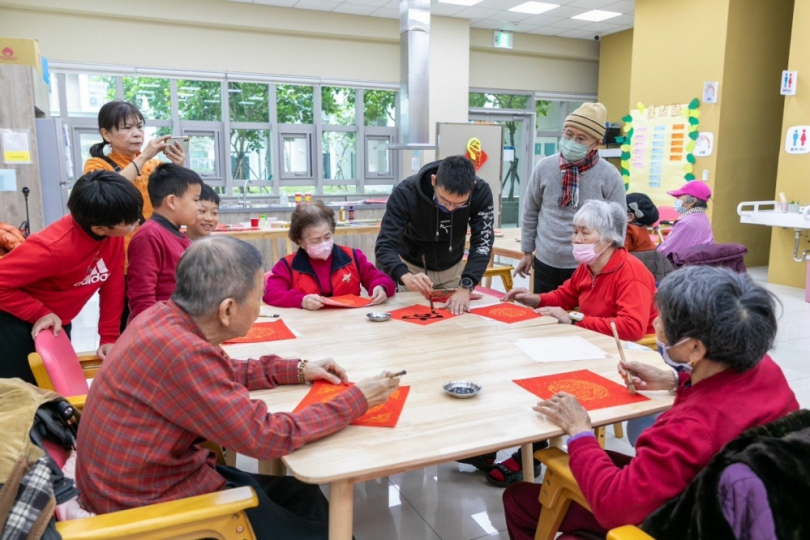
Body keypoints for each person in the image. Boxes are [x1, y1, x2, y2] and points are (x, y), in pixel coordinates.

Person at [76, 236, 402, 539]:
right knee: (328, 531)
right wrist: (356, 400)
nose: (260, 307)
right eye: (258, 298)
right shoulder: (184, 353)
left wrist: (298, 369)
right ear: (228, 309)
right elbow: (265, 436)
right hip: (150, 507)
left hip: (148, 479)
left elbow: (222, 370)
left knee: (302, 493)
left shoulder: (162, 318)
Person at [502, 266, 798, 539]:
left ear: (695, 348)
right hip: (746, 499)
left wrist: (580, 431)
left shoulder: (689, 428)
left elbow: (612, 508)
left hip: (685, 520)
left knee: (519, 499)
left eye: (664, 319)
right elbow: (725, 397)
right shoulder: (764, 366)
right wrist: (673, 380)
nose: (654, 323)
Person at [482, 200, 657, 487]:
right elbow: (565, 296)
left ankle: (534, 451)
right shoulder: (589, 266)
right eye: (574, 231)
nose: (576, 239)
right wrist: (536, 299)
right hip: (592, 341)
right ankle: (521, 443)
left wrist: (575, 320)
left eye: (584, 233)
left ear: (608, 236)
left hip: (626, 353)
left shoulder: (630, 273)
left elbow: (632, 328)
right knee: (524, 363)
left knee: (546, 377)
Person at [0, 171, 142, 383]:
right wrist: (39, 312)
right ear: (100, 228)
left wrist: (109, 337)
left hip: (55, 321)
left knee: (55, 387)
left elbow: (112, 285)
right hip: (15, 323)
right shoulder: (52, 247)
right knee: (25, 394)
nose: (136, 224)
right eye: (130, 223)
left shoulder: (111, 236)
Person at [83, 100, 186, 329]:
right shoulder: (96, 164)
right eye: (127, 127)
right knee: (124, 322)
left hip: (155, 254)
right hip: (120, 260)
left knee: (160, 317)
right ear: (106, 134)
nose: (136, 133)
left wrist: (179, 167)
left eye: (139, 127)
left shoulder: (153, 165)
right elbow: (108, 191)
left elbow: (176, 202)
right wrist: (143, 157)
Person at [517, 103, 625, 295]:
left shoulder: (609, 175)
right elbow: (530, 211)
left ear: (596, 143)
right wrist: (527, 251)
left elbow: (618, 225)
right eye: (568, 134)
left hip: (588, 265)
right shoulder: (544, 167)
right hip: (545, 260)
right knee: (543, 315)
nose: (572, 141)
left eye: (581, 138)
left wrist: (610, 265)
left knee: (579, 319)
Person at [375, 155, 494, 315]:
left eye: (459, 204)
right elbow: (385, 245)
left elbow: (482, 242)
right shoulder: (405, 193)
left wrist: (466, 284)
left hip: (453, 269)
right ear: (433, 181)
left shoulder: (481, 192)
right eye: (444, 201)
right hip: (414, 270)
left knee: (454, 324)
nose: (451, 209)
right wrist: (404, 275)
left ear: (472, 188)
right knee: (413, 323)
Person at [265, 201, 395, 310]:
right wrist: (301, 300)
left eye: (327, 237)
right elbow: (272, 294)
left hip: (350, 324)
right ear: (300, 241)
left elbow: (381, 279)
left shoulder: (353, 257)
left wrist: (380, 287)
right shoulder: (287, 265)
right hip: (308, 327)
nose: (324, 244)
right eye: (316, 240)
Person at [126, 164, 202, 322]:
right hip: (161, 328)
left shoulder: (179, 235)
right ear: (172, 201)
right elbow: (142, 298)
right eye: (196, 200)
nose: (199, 207)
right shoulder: (149, 236)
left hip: (181, 323)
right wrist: (156, 332)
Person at [657, 181, 714, 258]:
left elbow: (666, 251)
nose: (676, 200)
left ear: (692, 201)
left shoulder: (688, 222)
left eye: (679, 196)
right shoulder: (701, 217)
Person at [625, 193, 673, 284]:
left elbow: (619, 257)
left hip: (633, 275)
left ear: (630, 217)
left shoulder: (628, 231)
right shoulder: (642, 229)